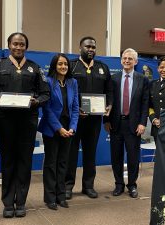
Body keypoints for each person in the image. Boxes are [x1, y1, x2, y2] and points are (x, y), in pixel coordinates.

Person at [0, 32, 50, 218]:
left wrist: (36, 101)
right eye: (15, 44)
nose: (18, 47)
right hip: (5, 119)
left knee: (24, 161)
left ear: (26, 47)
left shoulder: (34, 68)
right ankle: (8, 203)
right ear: (9, 45)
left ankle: (21, 202)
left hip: (27, 121)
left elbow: (45, 93)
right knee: (8, 161)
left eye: (22, 44)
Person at [65, 36, 113, 199]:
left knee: (90, 153)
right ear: (80, 48)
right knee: (71, 153)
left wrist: (109, 105)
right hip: (74, 119)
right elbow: (64, 90)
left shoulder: (103, 68)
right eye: (87, 47)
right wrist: (75, 108)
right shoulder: (71, 66)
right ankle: (67, 186)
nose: (91, 49)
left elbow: (109, 91)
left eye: (93, 47)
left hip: (94, 120)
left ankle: (88, 186)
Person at [104, 48, 149, 198]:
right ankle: (118, 184)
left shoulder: (142, 79)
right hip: (116, 124)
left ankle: (132, 185)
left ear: (136, 62)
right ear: (121, 60)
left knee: (133, 157)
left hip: (134, 125)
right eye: (124, 58)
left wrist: (143, 123)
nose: (127, 61)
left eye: (130, 59)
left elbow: (145, 103)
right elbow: (108, 101)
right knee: (116, 156)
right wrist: (106, 120)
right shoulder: (114, 78)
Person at [38, 53, 79, 210]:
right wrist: (59, 128)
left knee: (63, 163)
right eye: (60, 64)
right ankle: (50, 198)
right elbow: (46, 110)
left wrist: (72, 127)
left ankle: (61, 195)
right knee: (51, 163)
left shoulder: (72, 82)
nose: (63, 67)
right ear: (54, 65)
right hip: (52, 127)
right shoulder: (48, 82)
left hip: (68, 127)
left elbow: (75, 107)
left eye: (66, 64)